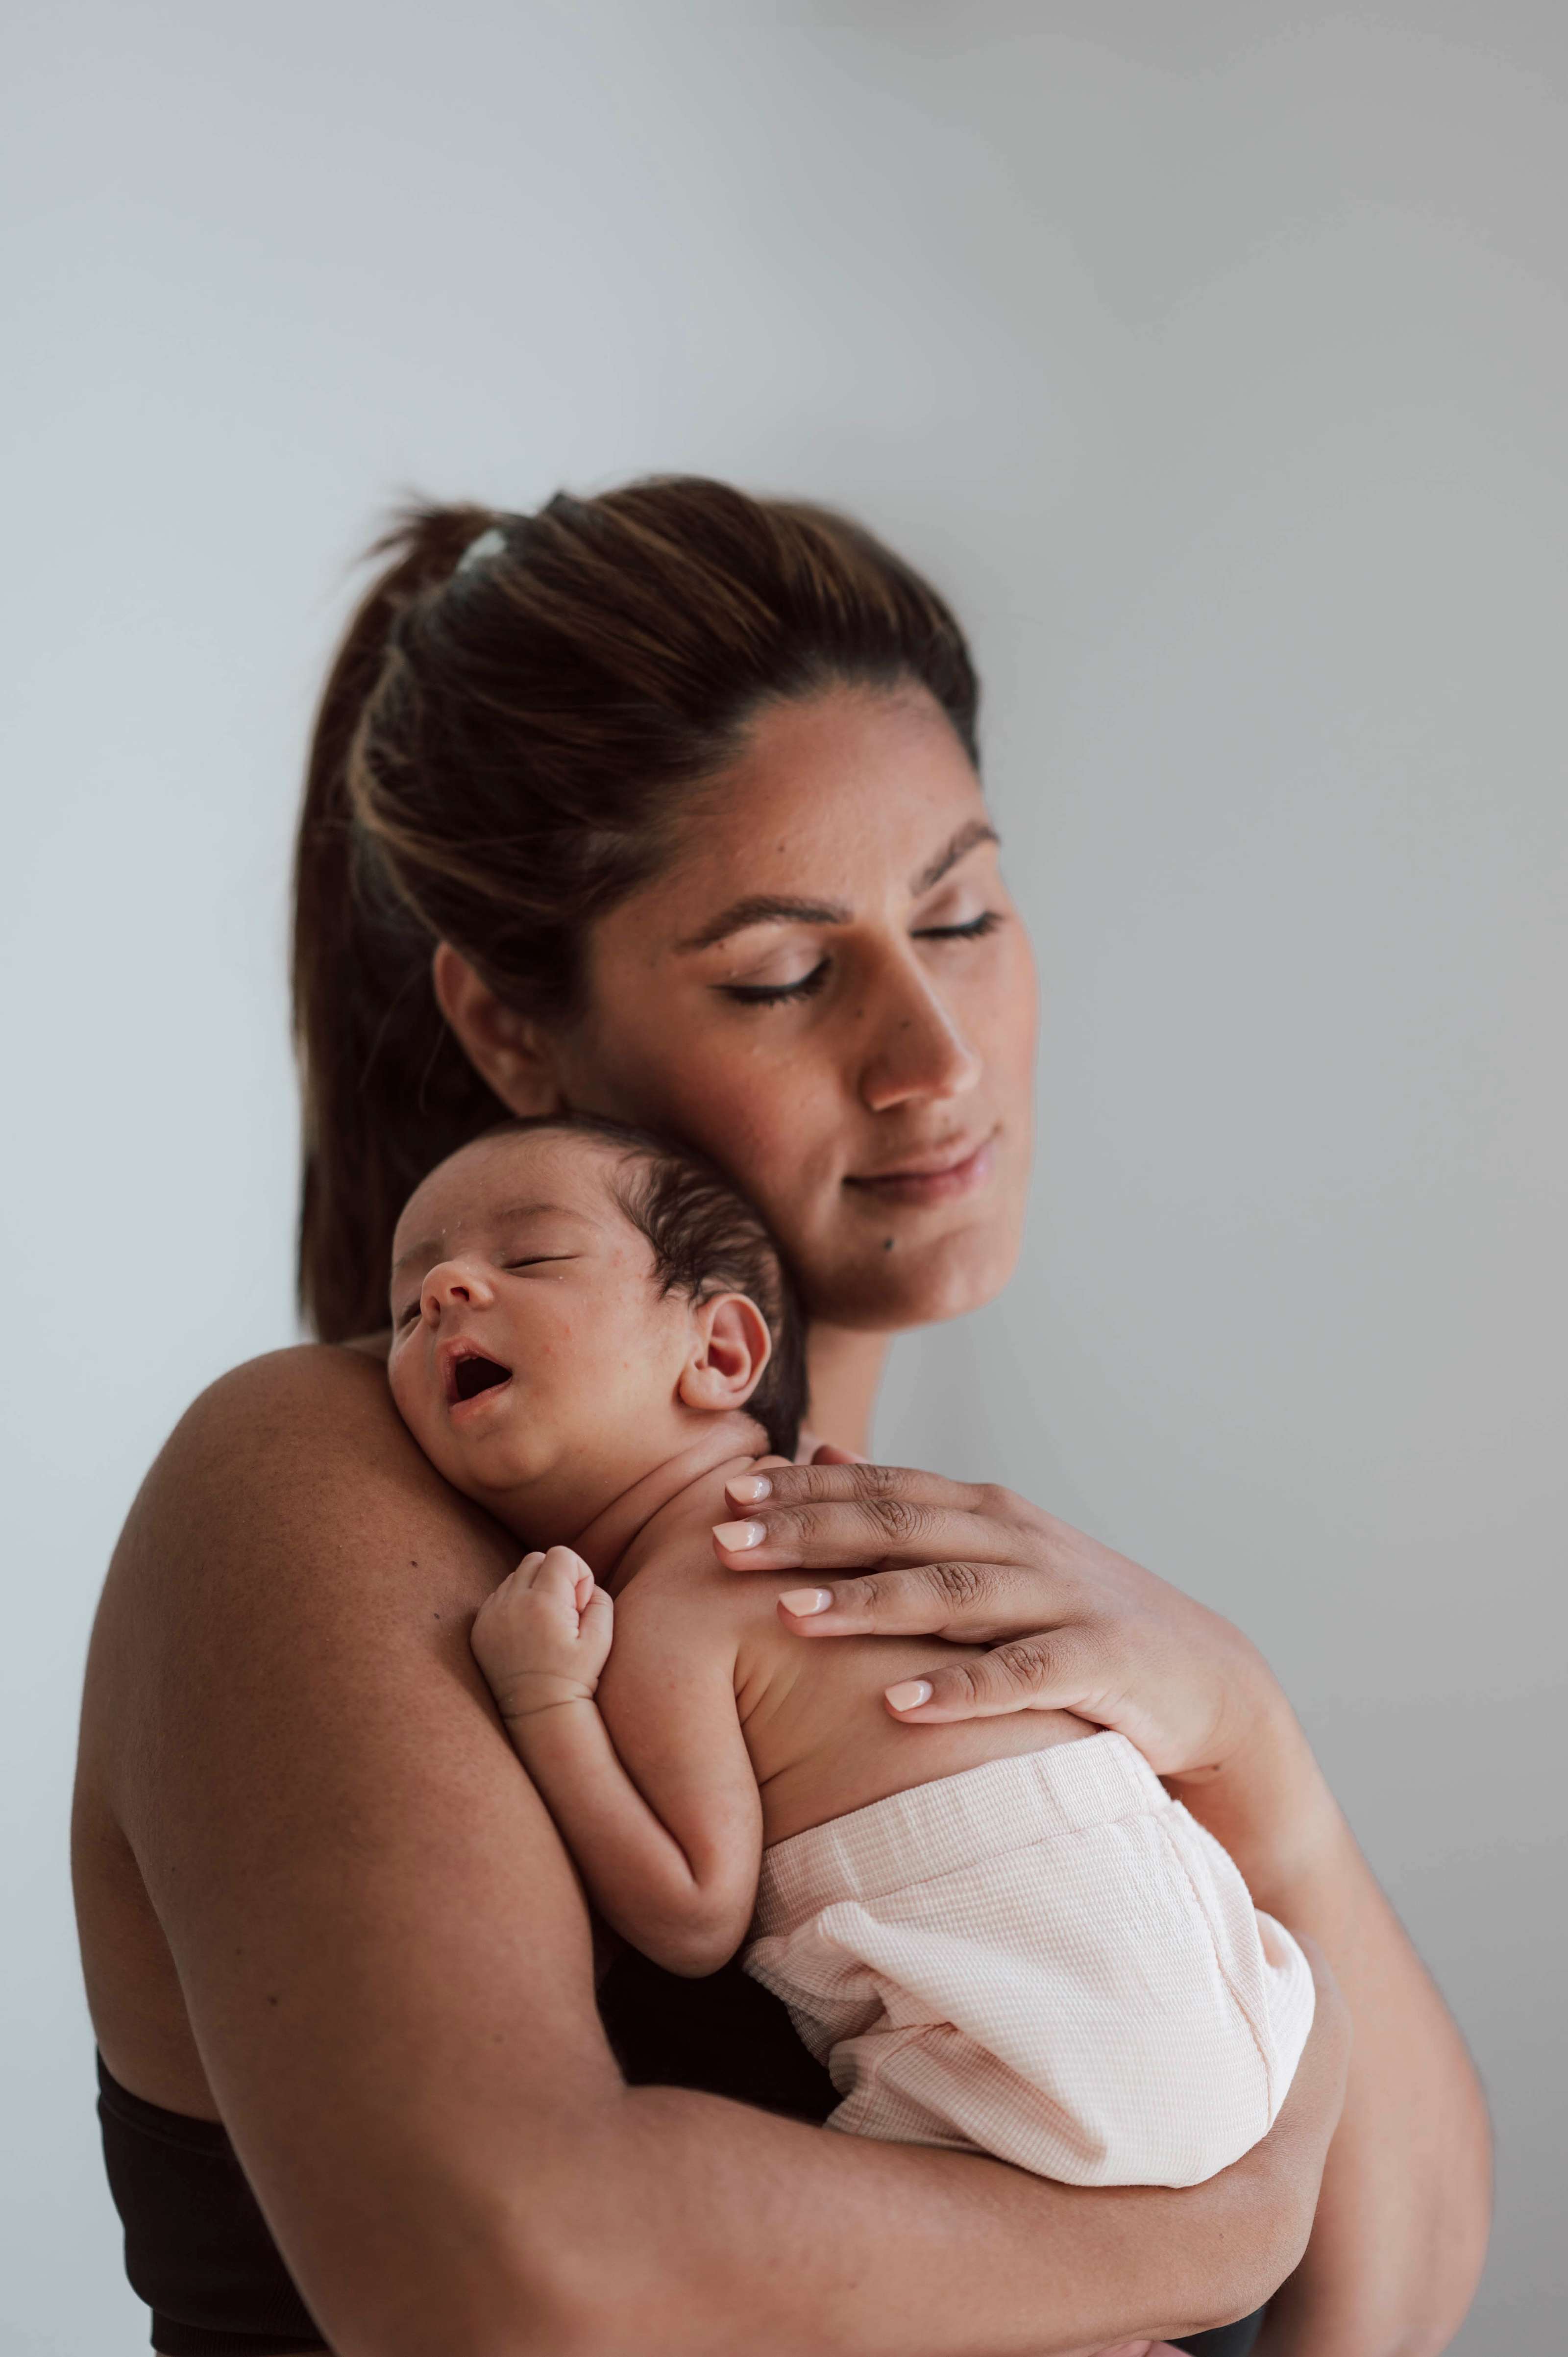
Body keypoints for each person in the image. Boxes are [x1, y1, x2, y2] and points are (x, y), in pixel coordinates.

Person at [73, 477, 1485, 2357]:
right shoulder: (307, 1487)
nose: (937, 1059)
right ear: (510, 1029)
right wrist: (1189, 2242)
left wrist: (1260, 1758)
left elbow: (1382, 2317)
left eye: (965, 912)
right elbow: (510, 2279)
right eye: (788, 974)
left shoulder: (987, 1602)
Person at [390, 1111, 1315, 2191]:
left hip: (1013, 2031)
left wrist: (544, 1698)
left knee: (791, 2247)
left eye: (532, 1255)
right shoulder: (861, 1508)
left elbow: (690, 1911)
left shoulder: (680, 1601)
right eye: (406, 1309)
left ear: (720, 1349)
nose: (449, 1286)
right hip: (1225, 1973)